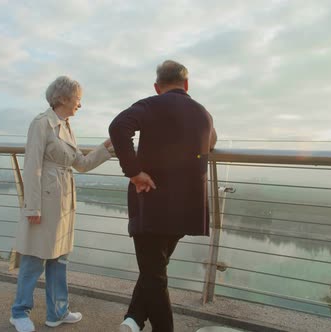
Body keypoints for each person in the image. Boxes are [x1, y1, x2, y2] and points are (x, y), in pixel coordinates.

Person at [109, 60, 217, 332]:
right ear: (187, 84)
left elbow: (118, 127)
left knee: (154, 274)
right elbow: (211, 142)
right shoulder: (203, 113)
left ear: (158, 87)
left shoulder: (150, 105)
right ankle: (134, 319)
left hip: (153, 202)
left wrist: (134, 172)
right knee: (154, 270)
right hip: (187, 207)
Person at [10, 75, 113, 332]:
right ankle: (19, 312)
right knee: (34, 258)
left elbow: (81, 164)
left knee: (59, 259)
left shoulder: (66, 126)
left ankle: (57, 312)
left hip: (64, 200)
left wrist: (107, 147)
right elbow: (32, 164)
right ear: (64, 98)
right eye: (78, 98)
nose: (81, 104)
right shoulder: (41, 123)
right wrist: (32, 207)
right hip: (44, 202)